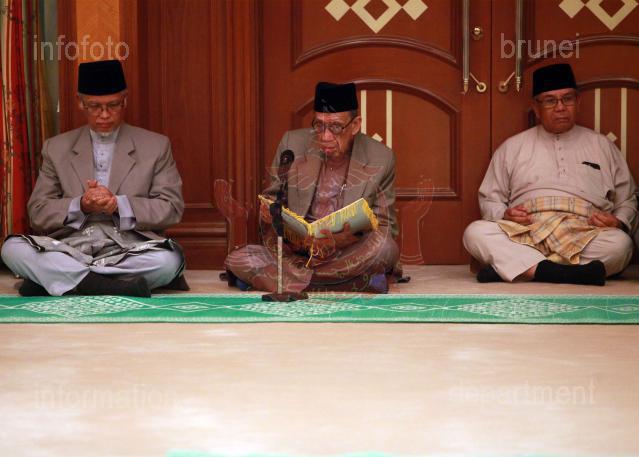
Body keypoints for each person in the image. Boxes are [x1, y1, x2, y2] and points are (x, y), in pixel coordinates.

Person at [1, 59, 186, 297]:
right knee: (12, 248)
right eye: (95, 106)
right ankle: (108, 284)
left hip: (129, 247)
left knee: (169, 260)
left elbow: (171, 207)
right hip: (70, 248)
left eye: (113, 105)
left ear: (125, 100)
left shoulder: (155, 146)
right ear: (80, 103)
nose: (104, 115)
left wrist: (118, 205)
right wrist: (80, 205)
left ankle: (62, 278)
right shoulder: (56, 148)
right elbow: (38, 211)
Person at [463, 63, 637, 286]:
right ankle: (568, 273)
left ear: (578, 102)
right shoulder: (512, 147)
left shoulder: (602, 145)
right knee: (475, 232)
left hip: (584, 231)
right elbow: (490, 199)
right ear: (536, 108)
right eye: (550, 101)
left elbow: (627, 199)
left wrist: (618, 222)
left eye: (567, 99)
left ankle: (520, 268)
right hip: (526, 231)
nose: (560, 107)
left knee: (621, 245)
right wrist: (505, 214)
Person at [224, 81, 400, 293]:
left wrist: (340, 240)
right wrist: (270, 214)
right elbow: (272, 199)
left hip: (347, 251)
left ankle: (292, 282)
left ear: (355, 125)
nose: (325, 136)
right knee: (239, 258)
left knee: (385, 248)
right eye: (319, 125)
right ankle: (343, 283)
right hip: (297, 252)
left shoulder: (381, 157)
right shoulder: (292, 143)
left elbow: (385, 226)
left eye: (335, 127)